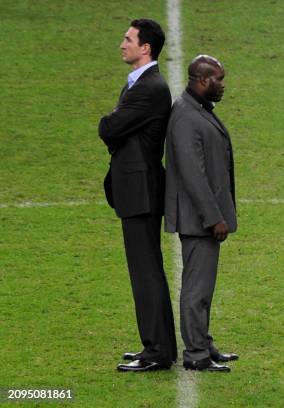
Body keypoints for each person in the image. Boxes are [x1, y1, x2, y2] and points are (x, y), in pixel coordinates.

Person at [99, 18, 177, 372]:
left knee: (146, 272)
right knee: (145, 271)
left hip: (141, 191)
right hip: (138, 189)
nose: (122, 44)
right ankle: (156, 346)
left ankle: (158, 351)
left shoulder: (150, 87)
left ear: (145, 47)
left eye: (128, 39)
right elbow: (118, 130)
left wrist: (112, 125)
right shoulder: (141, 84)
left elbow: (110, 127)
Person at [165, 55, 239, 372]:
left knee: (203, 287)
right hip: (199, 221)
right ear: (202, 80)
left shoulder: (197, 110)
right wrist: (214, 218)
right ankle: (195, 353)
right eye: (219, 79)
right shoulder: (184, 116)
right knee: (196, 289)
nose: (223, 85)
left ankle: (203, 343)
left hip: (203, 219)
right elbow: (193, 175)